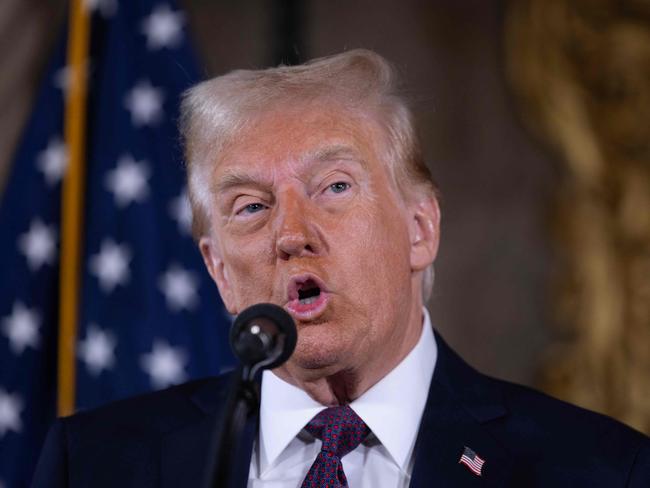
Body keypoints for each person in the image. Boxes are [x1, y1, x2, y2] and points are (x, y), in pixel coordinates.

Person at [32, 49, 649, 487]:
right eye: (251, 206)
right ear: (219, 270)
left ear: (420, 229)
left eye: (333, 187)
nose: (292, 234)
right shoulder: (92, 465)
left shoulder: (599, 470)